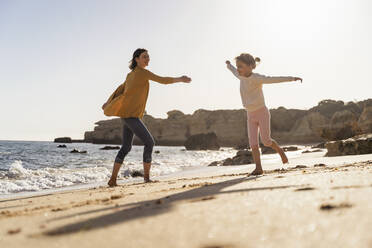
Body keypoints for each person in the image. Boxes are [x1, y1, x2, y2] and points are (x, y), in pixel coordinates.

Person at [102, 48, 191, 186]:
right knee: (149, 142)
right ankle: (146, 177)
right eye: (144, 57)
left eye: (148, 57)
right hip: (130, 116)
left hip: (127, 115)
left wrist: (108, 102)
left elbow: (119, 89)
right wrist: (180, 79)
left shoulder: (131, 74)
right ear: (136, 59)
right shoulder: (142, 73)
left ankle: (113, 179)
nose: (147, 59)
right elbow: (162, 80)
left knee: (126, 147)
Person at [226, 53, 302, 175]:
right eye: (237, 66)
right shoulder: (240, 76)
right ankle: (258, 168)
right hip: (250, 115)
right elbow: (233, 70)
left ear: (250, 66)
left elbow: (274, 79)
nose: (238, 69)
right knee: (253, 144)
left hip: (262, 112)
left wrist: (292, 78)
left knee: (266, 141)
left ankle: (280, 151)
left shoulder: (257, 78)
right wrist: (229, 65)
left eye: (241, 66)